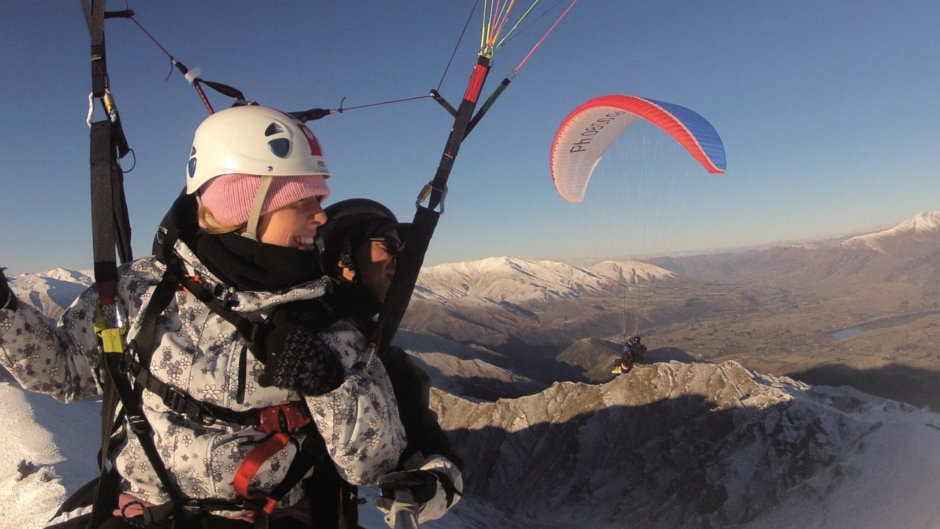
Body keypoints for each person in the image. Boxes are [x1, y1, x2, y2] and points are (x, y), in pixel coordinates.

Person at [0, 105, 407, 529]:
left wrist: (330, 385)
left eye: (318, 198)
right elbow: (67, 372)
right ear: (245, 204)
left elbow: (373, 463)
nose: (321, 215)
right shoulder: (140, 291)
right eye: (302, 199)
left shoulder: (323, 318)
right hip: (142, 513)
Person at [316, 198, 464, 528]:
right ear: (345, 252)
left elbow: (431, 453)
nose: (398, 260)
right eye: (390, 244)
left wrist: (431, 487)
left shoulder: (379, 361)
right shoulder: (278, 331)